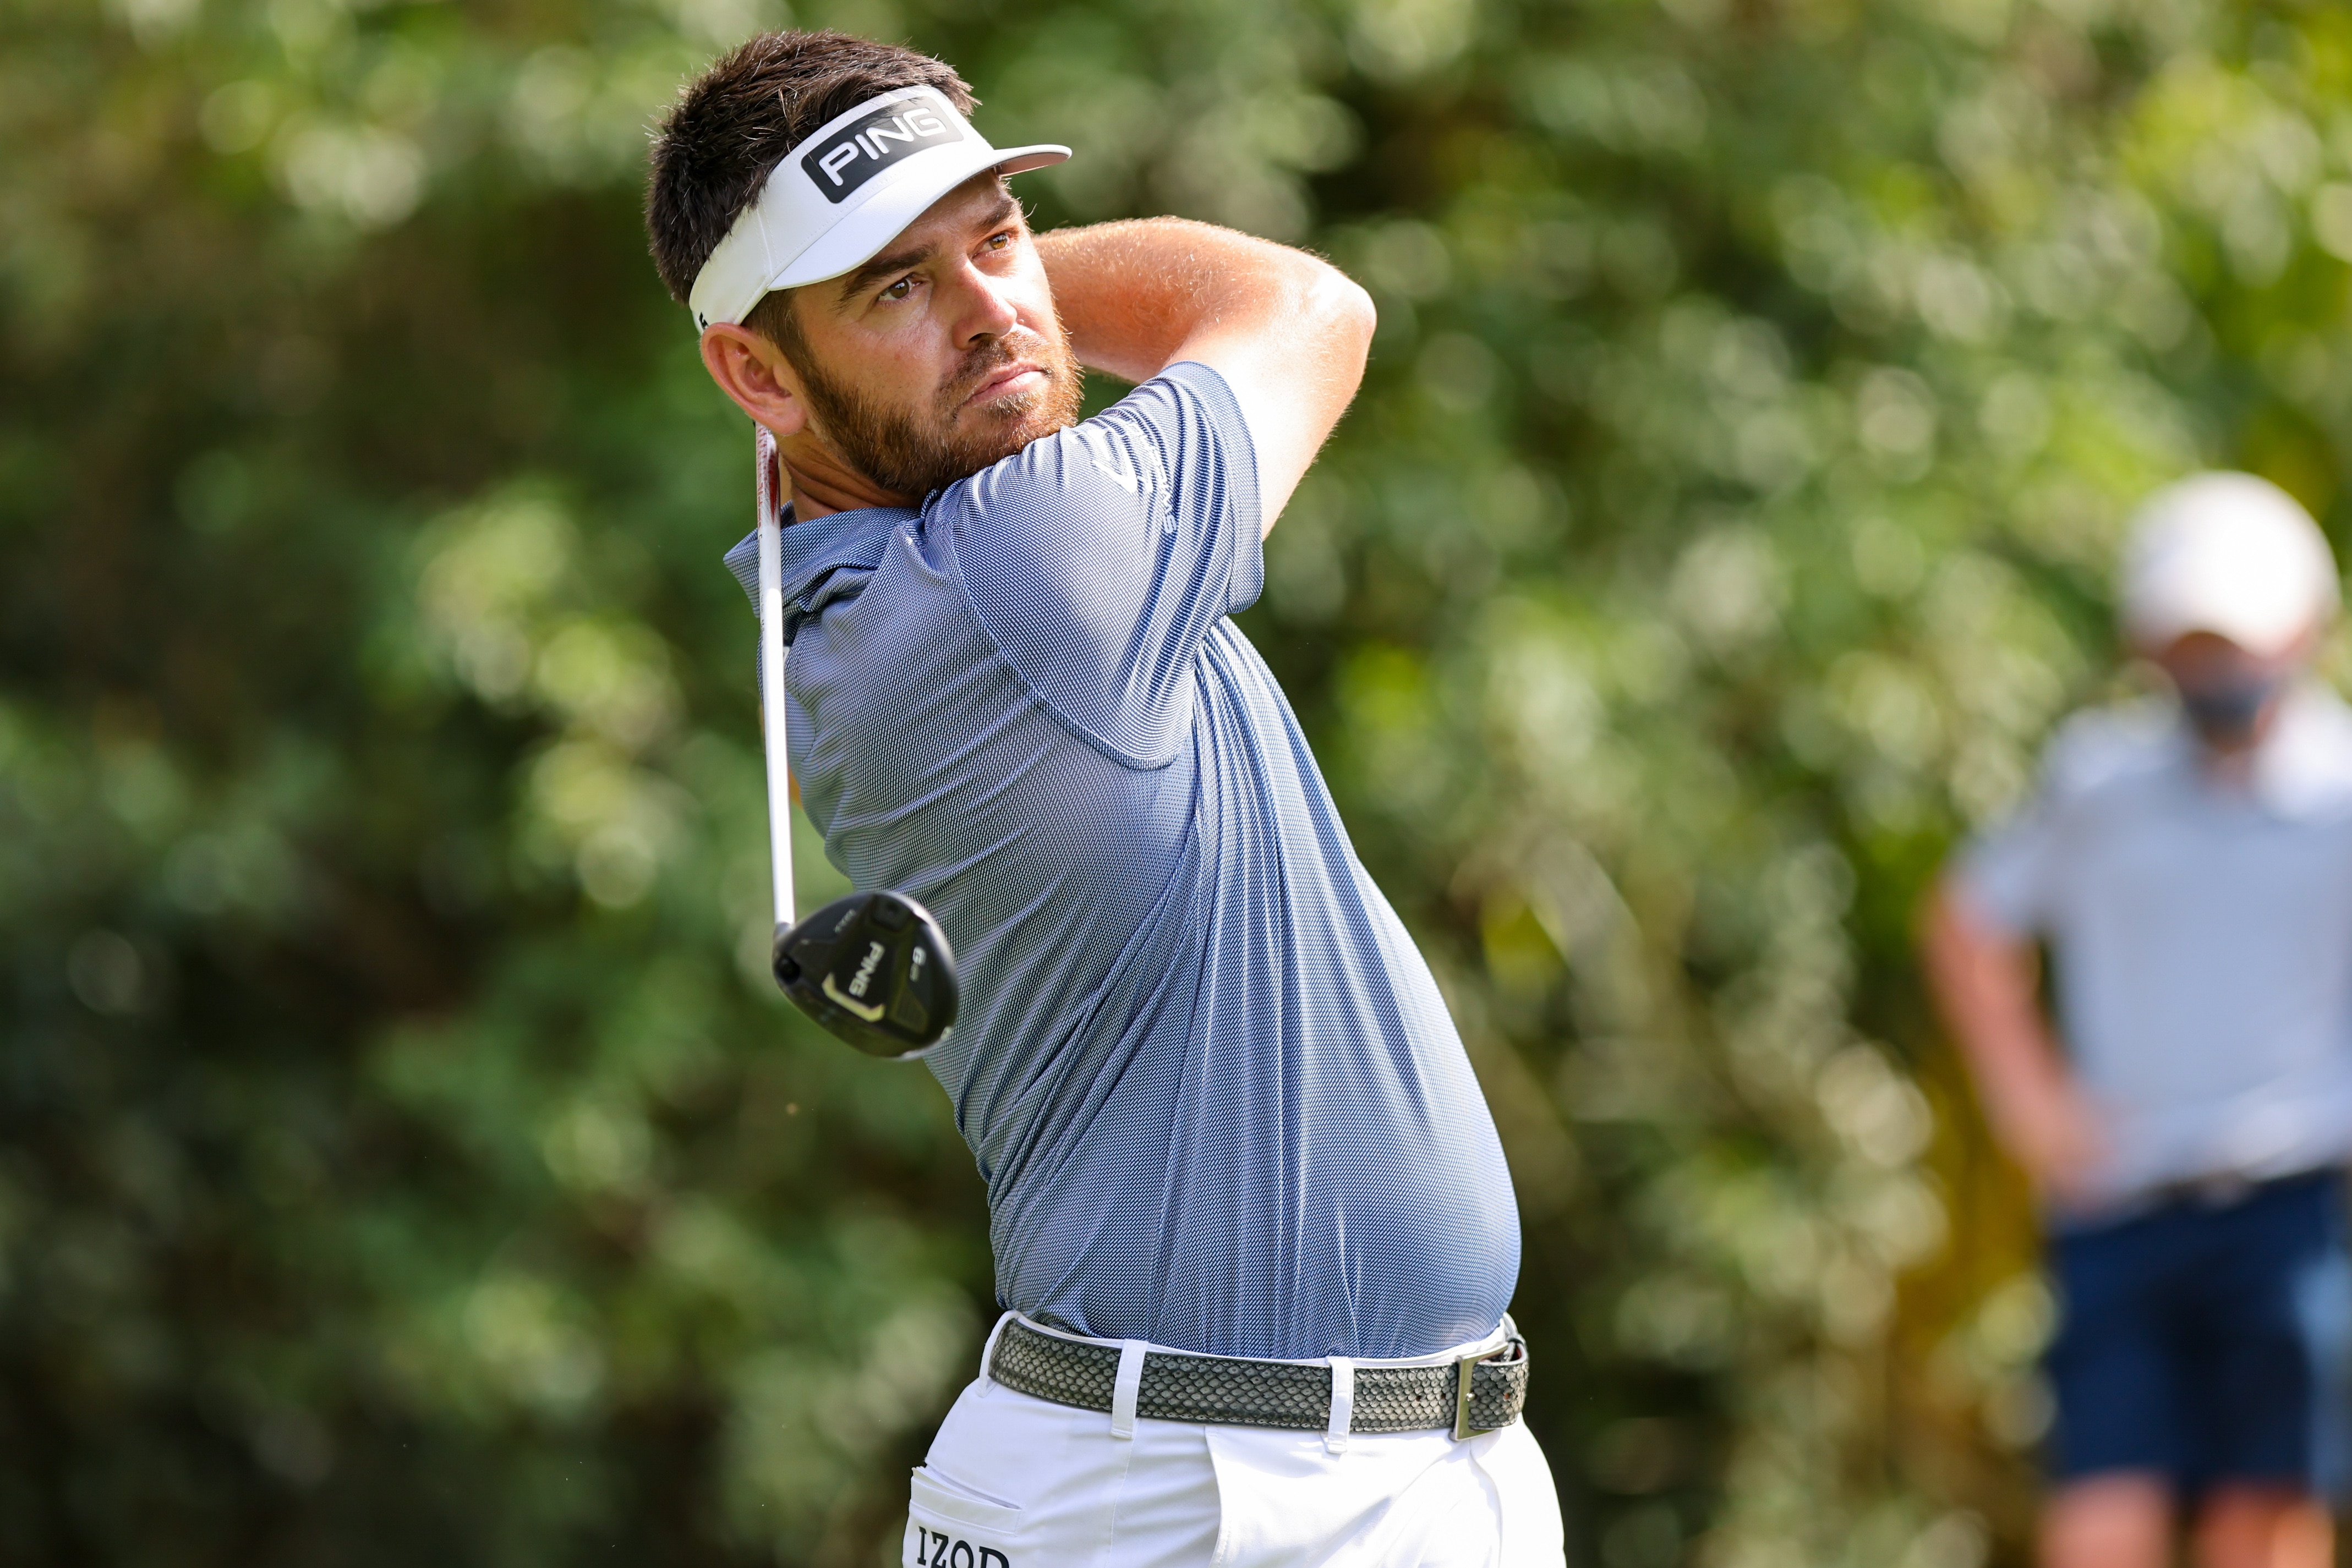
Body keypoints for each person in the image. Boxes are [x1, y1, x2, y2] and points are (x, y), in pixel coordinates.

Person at [643, 31, 1563, 1566]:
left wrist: (936, 286)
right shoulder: (1030, 567)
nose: (993, 309)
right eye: (892, 287)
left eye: (996, 238)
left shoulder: (862, 583)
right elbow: (1302, 307)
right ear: (753, 373)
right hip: (1194, 1498)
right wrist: (1014, 288)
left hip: (1335, 1472)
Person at [1923, 472, 2352, 1568]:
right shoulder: (2097, 784)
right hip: (2120, 1211)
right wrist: (2033, 1102)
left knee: (2262, 1524)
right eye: (2193, 644)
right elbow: (1968, 928)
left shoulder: (2341, 790)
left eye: (2236, 642)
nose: (2217, 671)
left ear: (2302, 628)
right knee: (2100, 1523)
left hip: (2293, 1211)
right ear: (2150, 647)